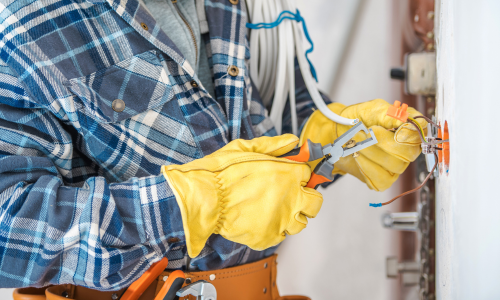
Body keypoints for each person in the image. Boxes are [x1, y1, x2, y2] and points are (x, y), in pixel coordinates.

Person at [0, 0, 426, 299]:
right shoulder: (21, 21)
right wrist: (194, 204)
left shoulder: (241, 5)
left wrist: (331, 137)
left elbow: (272, 108)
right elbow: (7, 232)